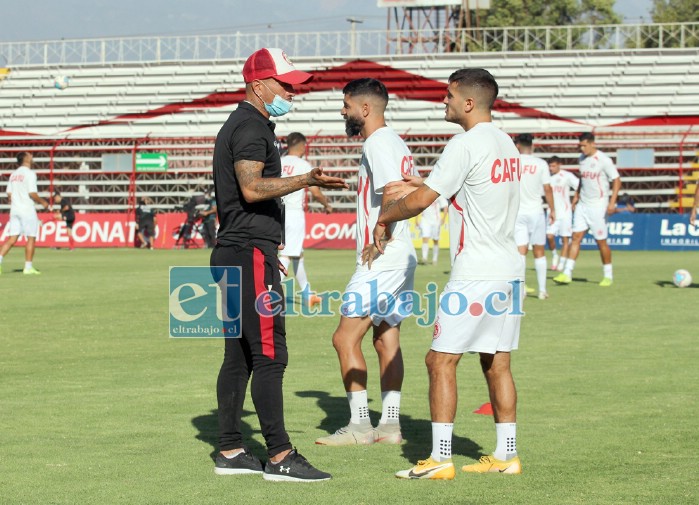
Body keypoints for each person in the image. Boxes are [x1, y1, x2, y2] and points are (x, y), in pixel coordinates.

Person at [368, 68, 524, 479]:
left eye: (449, 96)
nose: (444, 102)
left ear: (468, 103)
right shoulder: (505, 141)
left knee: (440, 361)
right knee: (497, 362)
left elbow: (420, 202)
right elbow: (470, 188)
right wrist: (425, 183)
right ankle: (507, 454)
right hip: (508, 269)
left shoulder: (464, 143)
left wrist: (385, 217)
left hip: (475, 272)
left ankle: (440, 458)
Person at [210, 47, 346, 482]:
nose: (292, 91)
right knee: (269, 353)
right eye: (285, 84)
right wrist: (305, 179)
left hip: (239, 250)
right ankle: (280, 455)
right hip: (247, 251)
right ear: (258, 84)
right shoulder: (251, 127)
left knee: (240, 356)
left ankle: (231, 450)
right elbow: (251, 189)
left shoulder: (247, 123)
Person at [315, 78, 417, 447]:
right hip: (401, 253)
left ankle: (359, 425)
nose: (343, 111)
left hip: (384, 257)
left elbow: (392, 189)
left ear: (365, 108)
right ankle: (390, 426)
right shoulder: (395, 140)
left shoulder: (377, 142)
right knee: (386, 338)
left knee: (344, 338)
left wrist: (380, 233)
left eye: (346, 104)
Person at [553, 132, 621, 287]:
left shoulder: (604, 160)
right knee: (575, 237)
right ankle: (567, 273)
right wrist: (576, 197)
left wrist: (612, 202)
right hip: (583, 205)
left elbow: (617, 181)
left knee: (600, 241)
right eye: (580, 146)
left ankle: (608, 275)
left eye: (584, 145)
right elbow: (582, 181)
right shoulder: (582, 159)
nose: (582, 149)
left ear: (592, 144)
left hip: (598, 205)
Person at [279, 131, 333, 307]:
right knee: (287, 255)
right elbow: (315, 191)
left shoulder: (278, 162)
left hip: (278, 212)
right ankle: (266, 292)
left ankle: (308, 295)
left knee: (297, 256)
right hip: (294, 213)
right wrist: (326, 204)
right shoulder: (303, 165)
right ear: (302, 146)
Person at [513, 134, 555, 300]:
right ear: (532, 146)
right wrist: (553, 210)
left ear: (517, 146)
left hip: (518, 212)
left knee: (520, 252)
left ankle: (521, 290)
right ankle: (542, 290)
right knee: (539, 251)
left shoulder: (513, 163)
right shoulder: (540, 163)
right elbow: (548, 189)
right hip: (536, 211)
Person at [0, 152, 50, 275]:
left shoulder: (13, 175)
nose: (32, 157)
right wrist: (44, 203)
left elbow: (9, 194)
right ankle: (28, 267)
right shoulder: (30, 174)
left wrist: (17, 201)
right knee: (31, 238)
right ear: (26, 159)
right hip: (27, 210)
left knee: (12, 239)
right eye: (30, 155)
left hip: (15, 210)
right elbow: (32, 193)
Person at [545, 156, 579, 271]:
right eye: (550, 166)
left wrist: (575, 200)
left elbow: (579, 186)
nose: (551, 168)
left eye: (553, 166)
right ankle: (555, 255)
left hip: (565, 212)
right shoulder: (546, 177)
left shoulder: (567, 176)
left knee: (565, 239)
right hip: (552, 212)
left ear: (559, 165)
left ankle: (561, 263)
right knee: (549, 236)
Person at [415, 196, 447, 265]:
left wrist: (443, 218)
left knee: (435, 240)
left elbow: (445, 206)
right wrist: (417, 219)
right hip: (425, 220)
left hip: (436, 221)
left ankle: (434, 259)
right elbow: (419, 207)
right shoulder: (424, 194)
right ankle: (424, 258)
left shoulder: (439, 195)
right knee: (425, 238)